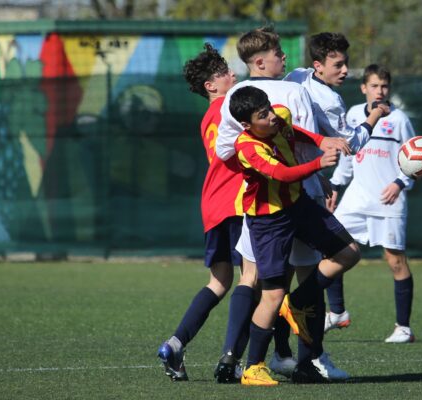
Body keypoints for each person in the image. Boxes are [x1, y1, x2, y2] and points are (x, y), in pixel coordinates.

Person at [216, 26, 351, 381]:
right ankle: (306, 360)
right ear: (261, 60)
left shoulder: (237, 94)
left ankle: (237, 358)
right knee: (291, 283)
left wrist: (252, 170)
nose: (285, 58)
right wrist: (316, 174)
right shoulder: (294, 90)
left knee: (254, 280)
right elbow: (301, 152)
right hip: (282, 202)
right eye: (279, 53)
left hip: (260, 198)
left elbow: (224, 150)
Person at [156, 43, 258, 385]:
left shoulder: (206, 119)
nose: (231, 74)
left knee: (219, 282)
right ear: (210, 86)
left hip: (213, 203)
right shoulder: (232, 110)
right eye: (222, 73)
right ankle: (234, 359)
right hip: (239, 201)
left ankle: (175, 343)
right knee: (253, 280)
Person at [284, 32, 390, 331]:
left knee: (277, 275)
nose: (345, 70)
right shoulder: (331, 100)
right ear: (318, 65)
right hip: (303, 190)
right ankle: (302, 328)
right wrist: (374, 117)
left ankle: (282, 354)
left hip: (288, 182)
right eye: (338, 64)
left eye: (346, 63)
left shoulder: (296, 76)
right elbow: (351, 143)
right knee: (345, 253)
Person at [327, 64, 417, 343]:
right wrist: (334, 185)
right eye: (375, 86)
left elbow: (417, 157)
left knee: (395, 261)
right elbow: (348, 156)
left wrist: (399, 183)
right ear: (364, 88)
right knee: (331, 248)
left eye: (385, 86)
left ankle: (403, 328)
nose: (380, 91)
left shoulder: (399, 119)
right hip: (356, 198)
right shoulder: (353, 114)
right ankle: (337, 312)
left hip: (388, 200)